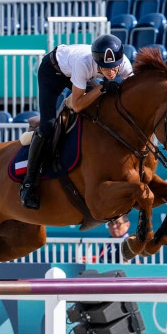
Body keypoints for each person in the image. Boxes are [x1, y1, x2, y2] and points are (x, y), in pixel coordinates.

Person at [19, 34, 134, 210]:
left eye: (114, 67)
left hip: (75, 72)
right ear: (97, 63)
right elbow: (79, 105)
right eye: (105, 68)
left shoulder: (123, 63)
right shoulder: (84, 63)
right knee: (48, 126)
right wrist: (103, 87)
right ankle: (29, 183)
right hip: (53, 71)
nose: (111, 72)